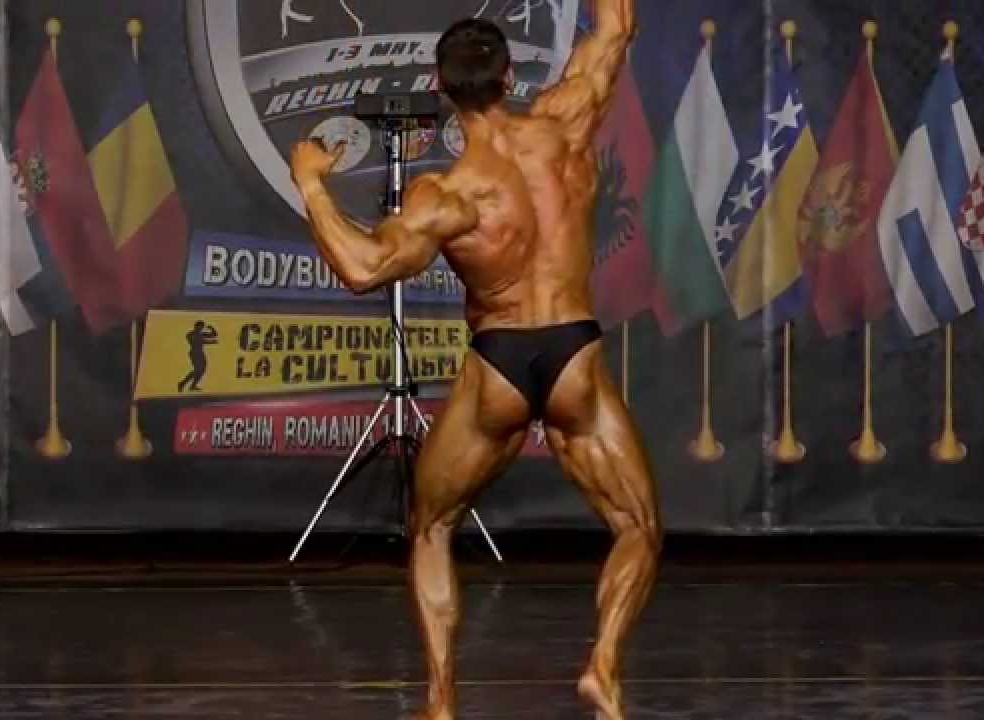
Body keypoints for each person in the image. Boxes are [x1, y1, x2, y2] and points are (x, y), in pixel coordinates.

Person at [289, 2, 657, 717]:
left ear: (441, 87)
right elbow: (616, 28)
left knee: (431, 526)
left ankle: (440, 701)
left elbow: (363, 267)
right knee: (637, 525)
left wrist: (311, 183)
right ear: (510, 76)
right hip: (574, 353)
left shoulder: (448, 195)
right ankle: (604, 665)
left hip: (500, 361)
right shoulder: (565, 126)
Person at [178, 321, 219, 393]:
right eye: (200, 327)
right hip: (195, 353)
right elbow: (198, 341)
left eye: (202, 327)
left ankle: (192, 385)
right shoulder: (190, 334)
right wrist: (211, 342)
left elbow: (214, 335)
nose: (201, 328)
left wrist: (212, 329)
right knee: (198, 370)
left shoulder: (200, 334)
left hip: (200, 353)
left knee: (202, 370)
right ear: (196, 326)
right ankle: (182, 383)